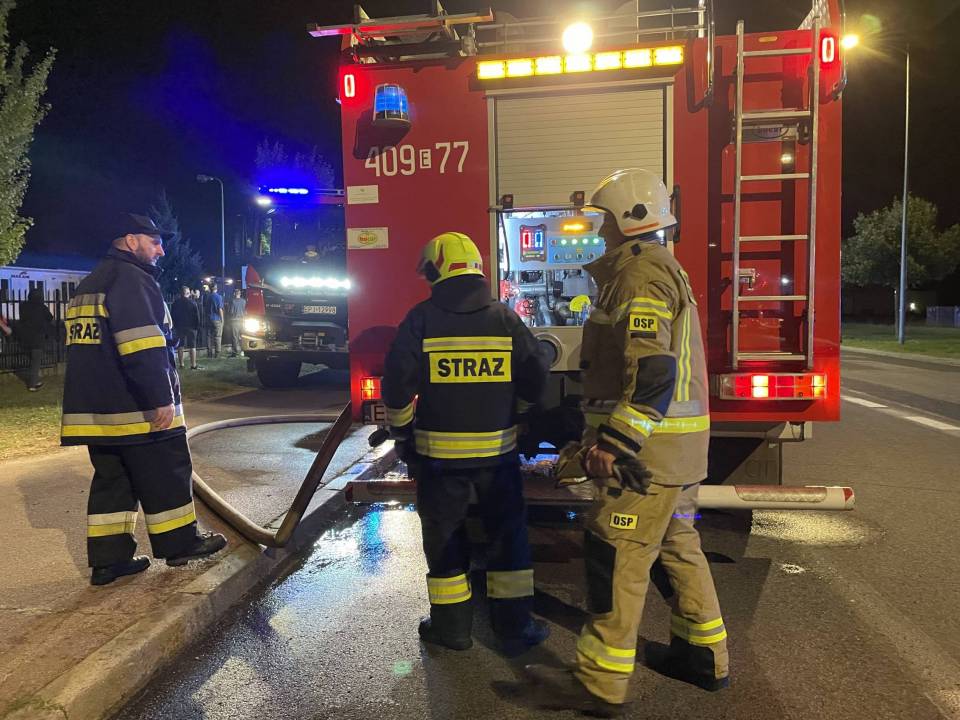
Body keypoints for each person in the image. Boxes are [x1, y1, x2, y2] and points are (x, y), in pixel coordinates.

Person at [526, 169, 728, 715]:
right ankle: (702, 656)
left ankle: (598, 684)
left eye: (603, 220)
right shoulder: (658, 267)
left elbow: (653, 371)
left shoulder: (639, 274)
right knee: (678, 546)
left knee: (615, 555)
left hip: (648, 458)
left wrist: (615, 444)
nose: (599, 231)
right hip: (676, 455)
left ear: (626, 219)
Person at [383, 232, 551, 655]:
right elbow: (536, 373)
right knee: (507, 538)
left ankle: (452, 628)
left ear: (435, 271)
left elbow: (397, 386)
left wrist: (402, 433)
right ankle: (515, 627)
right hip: (498, 457)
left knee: (444, 540)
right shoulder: (505, 319)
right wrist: (520, 410)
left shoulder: (421, 319)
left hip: (438, 461)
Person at [60, 213, 226, 586]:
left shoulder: (92, 282)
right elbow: (142, 347)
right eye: (155, 242)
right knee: (167, 472)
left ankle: (109, 562)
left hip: (98, 412)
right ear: (131, 241)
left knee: (113, 482)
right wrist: (160, 397)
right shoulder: (132, 279)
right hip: (136, 409)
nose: (161, 250)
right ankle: (181, 544)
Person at [17, 288, 54, 391]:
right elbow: (50, 318)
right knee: (36, 361)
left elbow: (22, 319)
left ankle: (35, 379)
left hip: (25, 338)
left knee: (33, 360)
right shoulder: (42, 307)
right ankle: (32, 385)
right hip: (37, 338)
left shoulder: (23, 306)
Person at [171, 286, 202, 370]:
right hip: (191, 327)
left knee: (180, 345)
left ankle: (181, 364)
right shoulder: (192, 303)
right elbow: (197, 316)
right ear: (188, 293)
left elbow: (173, 315)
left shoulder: (175, 303)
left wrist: (175, 324)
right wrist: (196, 326)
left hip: (180, 326)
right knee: (192, 346)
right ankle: (193, 364)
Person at [206, 283, 224, 358]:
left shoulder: (208, 297)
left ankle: (209, 353)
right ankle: (217, 353)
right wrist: (222, 319)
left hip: (208, 318)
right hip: (216, 319)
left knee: (209, 336)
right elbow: (220, 309)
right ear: (216, 288)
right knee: (218, 336)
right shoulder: (218, 297)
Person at [227, 288, 246, 357]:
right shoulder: (244, 301)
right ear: (240, 294)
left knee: (235, 337)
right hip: (242, 321)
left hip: (234, 321)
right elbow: (245, 311)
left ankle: (235, 352)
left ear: (234, 294)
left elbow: (231, 312)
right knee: (243, 336)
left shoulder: (232, 301)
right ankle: (243, 351)